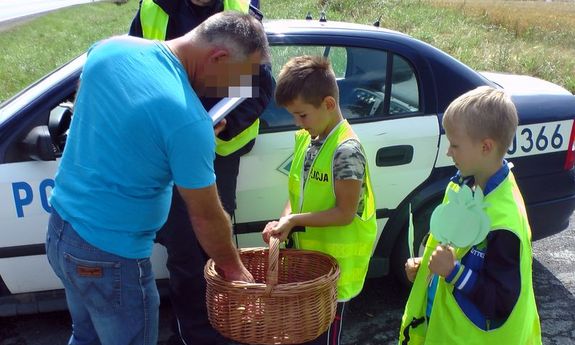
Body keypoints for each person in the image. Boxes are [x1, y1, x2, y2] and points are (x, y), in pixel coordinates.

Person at [45, 12, 269, 345]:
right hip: (111, 257)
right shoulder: (187, 121)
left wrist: (176, 138)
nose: (235, 90)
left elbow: (94, 99)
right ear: (218, 57)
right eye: (238, 78)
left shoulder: (111, 49)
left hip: (62, 232)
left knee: (86, 336)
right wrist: (235, 271)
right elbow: (206, 217)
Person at [128, 1, 273, 344]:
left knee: (213, 246)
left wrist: (226, 124)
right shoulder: (153, 9)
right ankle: (194, 334)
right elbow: (136, 73)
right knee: (184, 252)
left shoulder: (242, 9)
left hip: (219, 151)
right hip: (168, 147)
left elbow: (260, 85)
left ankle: (224, 325)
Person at [399, 86, 542, 344]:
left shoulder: (503, 222)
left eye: (455, 145)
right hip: (442, 329)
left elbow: (500, 301)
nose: (448, 152)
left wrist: (453, 272)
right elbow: (459, 250)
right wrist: (427, 268)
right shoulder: (463, 184)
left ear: (486, 147)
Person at [262, 55, 378, 345]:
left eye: (302, 115)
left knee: (324, 339)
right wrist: (283, 220)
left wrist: (295, 221)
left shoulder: (346, 151)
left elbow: (345, 213)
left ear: (328, 104)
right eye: (293, 116)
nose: (297, 122)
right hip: (310, 270)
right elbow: (296, 195)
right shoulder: (308, 138)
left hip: (335, 277)